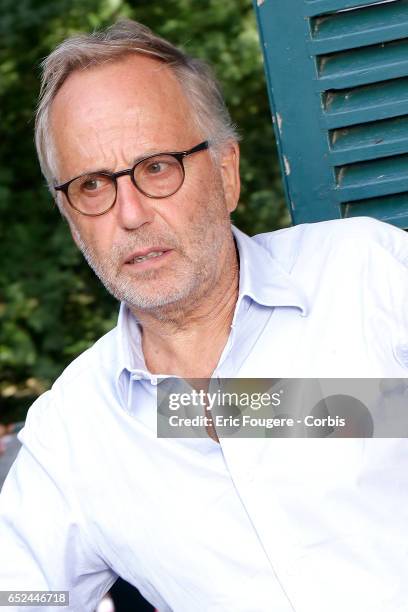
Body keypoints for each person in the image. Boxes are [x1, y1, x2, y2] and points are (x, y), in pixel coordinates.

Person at [0, 18, 407, 612]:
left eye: (158, 166)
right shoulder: (74, 433)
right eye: (92, 185)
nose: (131, 213)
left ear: (225, 170)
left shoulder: (368, 277)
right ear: (70, 215)